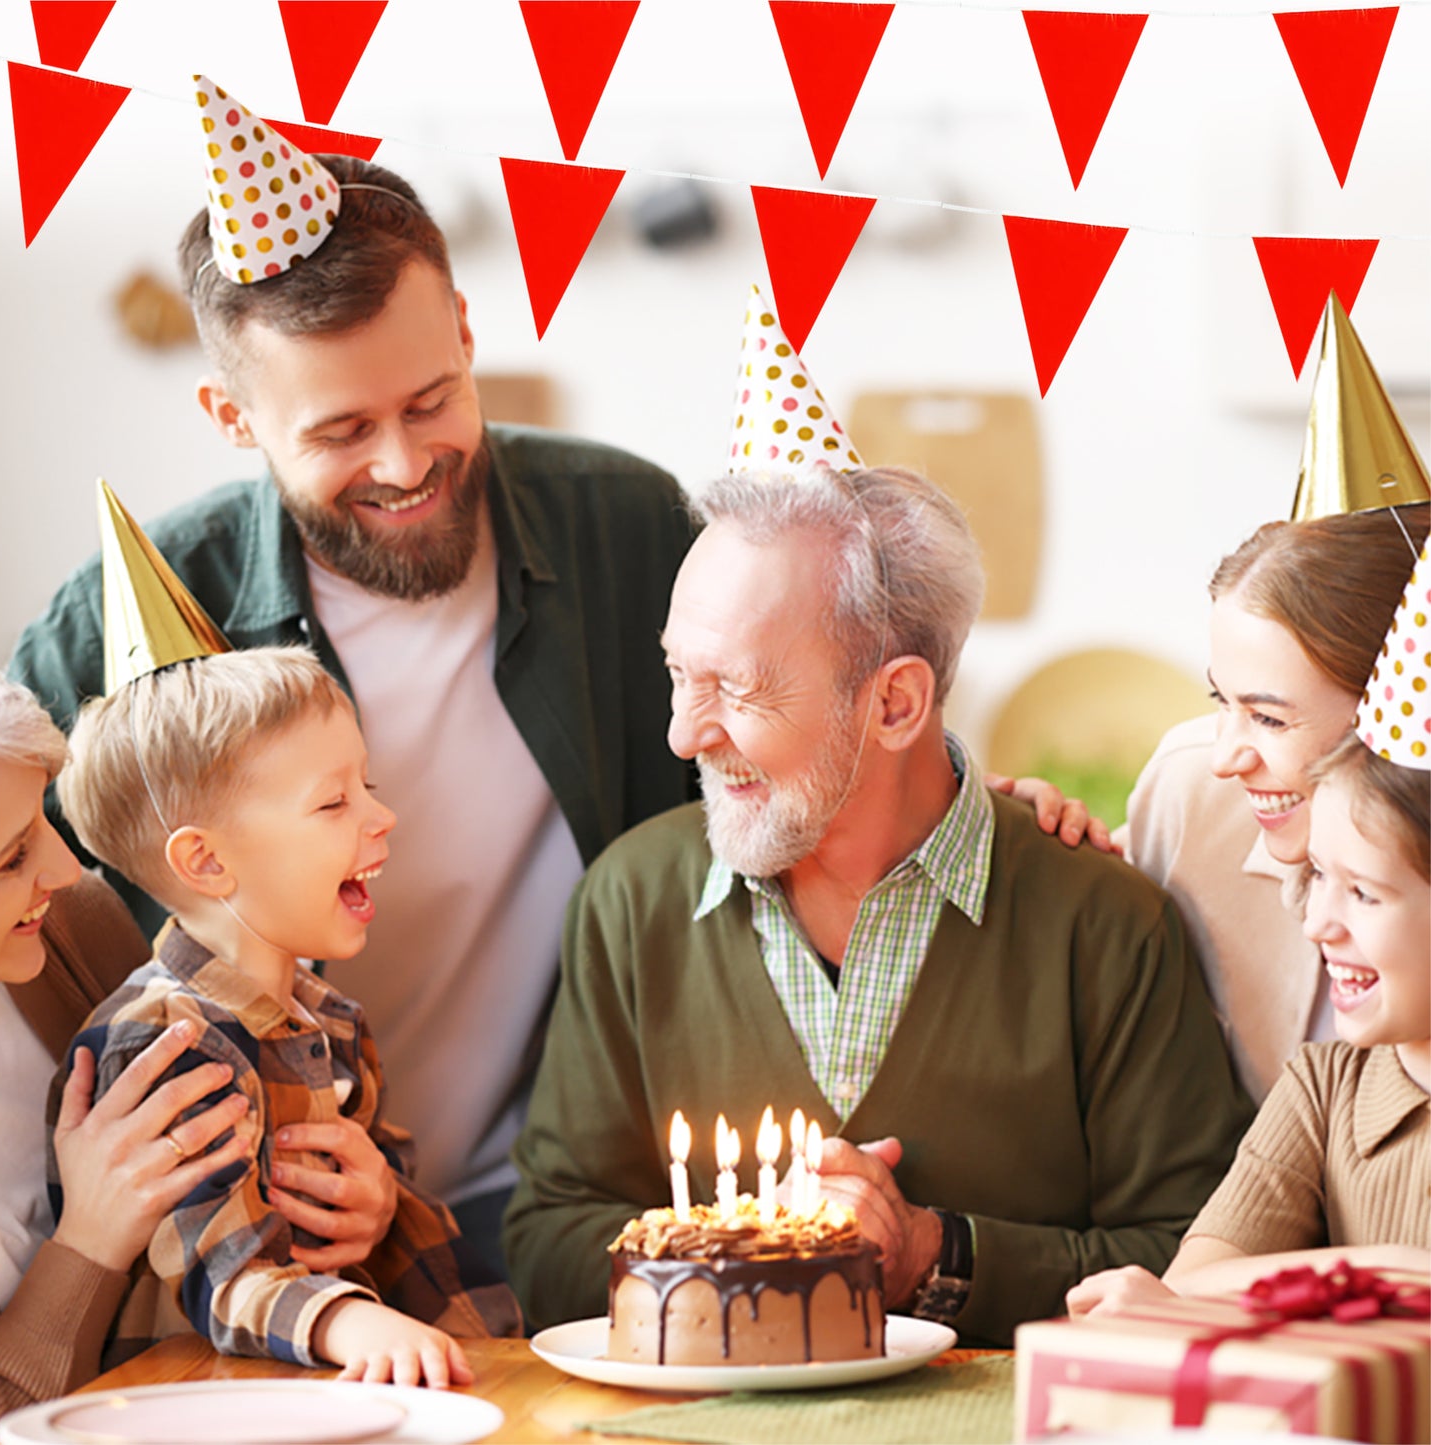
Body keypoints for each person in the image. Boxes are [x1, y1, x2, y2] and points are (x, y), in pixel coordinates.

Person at [9, 93, 697, 1275]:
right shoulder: (123, 618)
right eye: (340, 429)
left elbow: (787, 756)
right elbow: (18, 901)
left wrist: (962, 797)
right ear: (232, 416)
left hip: (563, 1202)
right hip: (256, 1234)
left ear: (467, 330)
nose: (403, 461)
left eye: (430, 400)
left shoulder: (625, 528)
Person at [501, 465, 1252, 1347]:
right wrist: (760, 1263)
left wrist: (937, 1255)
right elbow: (545, 1240)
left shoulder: (1105, 924)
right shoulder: (627, 902)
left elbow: (1195, 1258)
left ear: (894, 702)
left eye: (736, 688)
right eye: (678, 671)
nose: (682, 731)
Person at [52, 645, 487, 1382]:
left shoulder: (334, 1022)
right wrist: (346, 1319)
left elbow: (402, 1238)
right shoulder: (163, 1043)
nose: (382, 814)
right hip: (190, 1412)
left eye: (367, 783)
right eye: (333, 801)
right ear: (206, 862)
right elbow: (220, 1269)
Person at [1068, 730, 1430, 1316]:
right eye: (1318, 875)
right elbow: (1190, 1283)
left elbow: (1206, 1295)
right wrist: (1395, 1272)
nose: (1316, 923)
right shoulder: (1324, 1089)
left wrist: (1343, 1277)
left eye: (1362, 893)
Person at [0, 666, 248, 1431]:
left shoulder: (72, 925)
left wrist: (358, 1199)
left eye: (44, 821)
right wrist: (89, 1244)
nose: (64, 870)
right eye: (10, 858)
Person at [1122, 503, 1428, 1104]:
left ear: (1394, 706)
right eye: (1221, 700)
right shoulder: (1191, 798)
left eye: (1268, 717)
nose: (1226, 757)